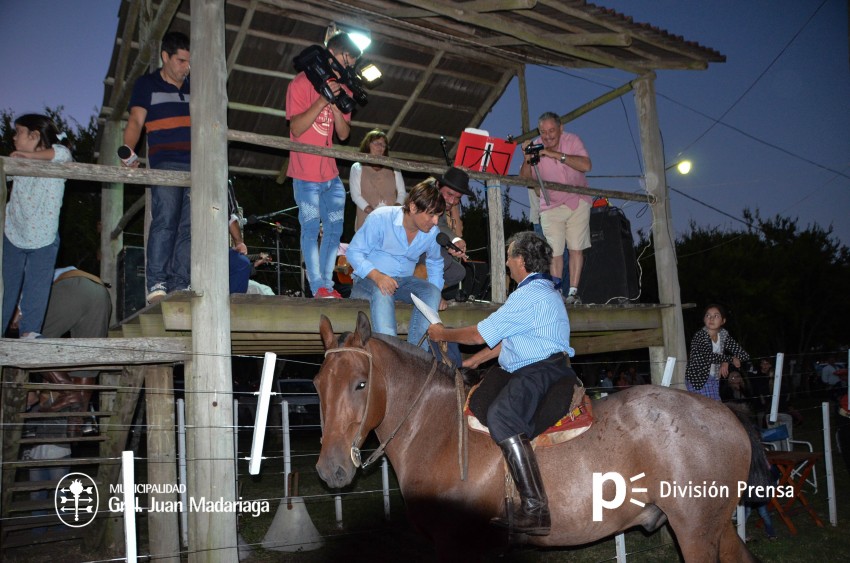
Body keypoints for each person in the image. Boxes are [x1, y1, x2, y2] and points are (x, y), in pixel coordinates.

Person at [427, 231, 575, 536]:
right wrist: (473, 362)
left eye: (509, 256)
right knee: (479, 400)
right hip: (530, 367)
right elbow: (508, 337)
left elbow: (479, 335)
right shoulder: (540, 290)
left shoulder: (527, 295)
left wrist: (442, 334)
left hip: (541, 371)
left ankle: (535, 509)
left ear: (520, 260)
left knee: (502, 417)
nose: (507, 263)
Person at [286, 33, 361, 299]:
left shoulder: (346, 88)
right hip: (305, 172)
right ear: (332, 53)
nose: (349, 66)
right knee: (309, 227)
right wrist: (322, 99)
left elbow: (343, 134)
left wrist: (338, 105)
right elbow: (295, 128)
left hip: (330, 175)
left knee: (335, 229)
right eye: (347, 59)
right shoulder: (300, 83)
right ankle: (316, 284)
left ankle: (327, 285)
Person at [121, 31, 192, 304]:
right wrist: (128, 152)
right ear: (165, 57)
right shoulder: (146, 84)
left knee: (189, 227)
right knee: (165, 221)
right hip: (165, 162)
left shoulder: (194, 85)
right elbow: (136, 123)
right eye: (181, 61)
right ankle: (157, 282)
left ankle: (180, 283)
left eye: (189, 62)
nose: (186, 68)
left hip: (197, 166)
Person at [347, 180, 445, 349]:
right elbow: (353, 252)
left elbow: (435, 262)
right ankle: (391, 355)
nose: (436, 221)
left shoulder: (432, 233)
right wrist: (378, 276)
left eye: (438, 216)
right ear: (413, 207)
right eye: (431, 214)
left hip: (403, 283)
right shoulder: (381, 217)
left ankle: (416, 357)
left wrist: (437, 294)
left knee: (432, 292)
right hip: (367, 281)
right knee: (383, 289)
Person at [2, 113, 73, 338]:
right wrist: (17, 161)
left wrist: (26, 157)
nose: (14, 138)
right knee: (6, 288)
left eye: (19, 132)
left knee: (37, 286)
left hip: (44, 237)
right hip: (13, 233)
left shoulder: (59, 155)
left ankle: (30, 331)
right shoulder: (17, 162)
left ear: (34, 135)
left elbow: (63, 153)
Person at [519, 111, 592, 304]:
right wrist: (528, 157)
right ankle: (557, 292)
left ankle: (573, 292)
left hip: (578, 199)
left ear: (561, 128)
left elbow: (586, 165)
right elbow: (524, 178)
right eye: (543, 132)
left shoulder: (572, 140)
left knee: (576, 248)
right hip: (551, 205)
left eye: (552, 130)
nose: (548, 135)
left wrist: (552, 154)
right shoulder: (535, 146)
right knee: (554, 251)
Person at [685, 304, 749, 400]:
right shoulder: (700, 336)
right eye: (708, 315)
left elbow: (743, 355)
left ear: (723, 321)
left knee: (714, 409)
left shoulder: (723, 335)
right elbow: (708, 356)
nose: (711, 318)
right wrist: (729, 359)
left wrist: (726, 362)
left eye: (716, 316)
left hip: (714, 379)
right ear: (704, 319)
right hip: (698, 379)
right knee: (709, 410)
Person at [349, 129, 406, 231]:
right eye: (377, 143)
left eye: (383, 145)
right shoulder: (357, 167)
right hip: (367, 220)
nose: (381, 147)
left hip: (390, 221)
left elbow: (402, 193)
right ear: (368, 144)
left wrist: (393, 212)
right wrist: (374, 213)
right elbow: (356, 196)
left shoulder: (394, 168)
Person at [435, 167, 473, 294]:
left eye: (458, 197)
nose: (452, 201)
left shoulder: (441, 202)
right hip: (409, 251)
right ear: (437, 185)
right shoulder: (425, 198)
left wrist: (455, 240)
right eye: (449, 194)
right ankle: (428, 294)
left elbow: (442, 225)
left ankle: (430, 292)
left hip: (428, 250)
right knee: (443, 258)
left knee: (459, 272)